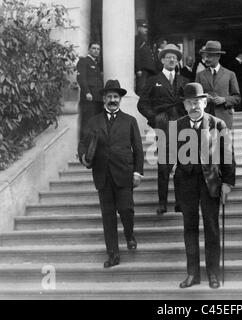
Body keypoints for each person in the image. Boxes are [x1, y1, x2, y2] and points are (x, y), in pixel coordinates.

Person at [78, 80, 144, 268]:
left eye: (116, 97)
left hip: (124, 173)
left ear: (120, 99)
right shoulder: (93, 121)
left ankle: (129, 234)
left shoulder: (130, 120)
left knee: (126, 210)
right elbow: (83, 143)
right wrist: (83, 156)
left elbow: (138, 149)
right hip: (103, 175)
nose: (112, 100)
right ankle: (113, 255)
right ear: (104, 99)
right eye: (109, 97)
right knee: (108, 216)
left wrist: (138, 172)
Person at [175, 82, 236, 289]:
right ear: (184, 105)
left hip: (210, 183)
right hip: (186, 185)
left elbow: (228, 155)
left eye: (198, 102)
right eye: (190, 102)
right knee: (189, 229)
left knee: (211, 228)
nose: (194, 106)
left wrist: (227, 182)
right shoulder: (177, 126)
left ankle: (213, 274)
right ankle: (193, 274)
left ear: (205, 102)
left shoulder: (217, 124)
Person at [138, 44, 189, 215]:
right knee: (163, 165)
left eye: (175, 57)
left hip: (182, 124)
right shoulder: (154, 80)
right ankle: (162, 203)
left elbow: (190, 103)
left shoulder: (184, 82)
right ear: (162, 60)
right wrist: (154, 118)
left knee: (182, 164)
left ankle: (180, 202)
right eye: (169, 57)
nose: (172, 59)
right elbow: (142, 103)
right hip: (163, 124)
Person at [195, 41, 241, 129]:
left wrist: (224, 99)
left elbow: (237, 98)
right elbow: (195, 97)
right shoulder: (200, 75)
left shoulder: (230, 74)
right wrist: (205, 98)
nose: (206, 59)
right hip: (206, 119)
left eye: (210, 56)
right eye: (205, 56)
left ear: (218, 57)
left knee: (224, 143)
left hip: (224, 119)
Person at [76, 42, 104, 141]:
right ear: (89, 50)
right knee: (87, 123)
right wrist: (87, 92)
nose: (96, 51)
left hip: (98, 99)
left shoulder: (95, 64)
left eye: (98, 49)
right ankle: (83, 149)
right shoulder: (84, 61)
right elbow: (81, 78)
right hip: (89, 99)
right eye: (94, 48)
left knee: (96, 125)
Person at [135, 20, 157, 95]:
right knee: (141, 89)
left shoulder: (145, 40)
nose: (146, 30)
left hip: (150, 70)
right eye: (144, 27)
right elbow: (136, 54)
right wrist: (138, 69)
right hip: (143, 70)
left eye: (146, 28)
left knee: (150, 90)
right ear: (138, 28)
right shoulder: (137, 40)